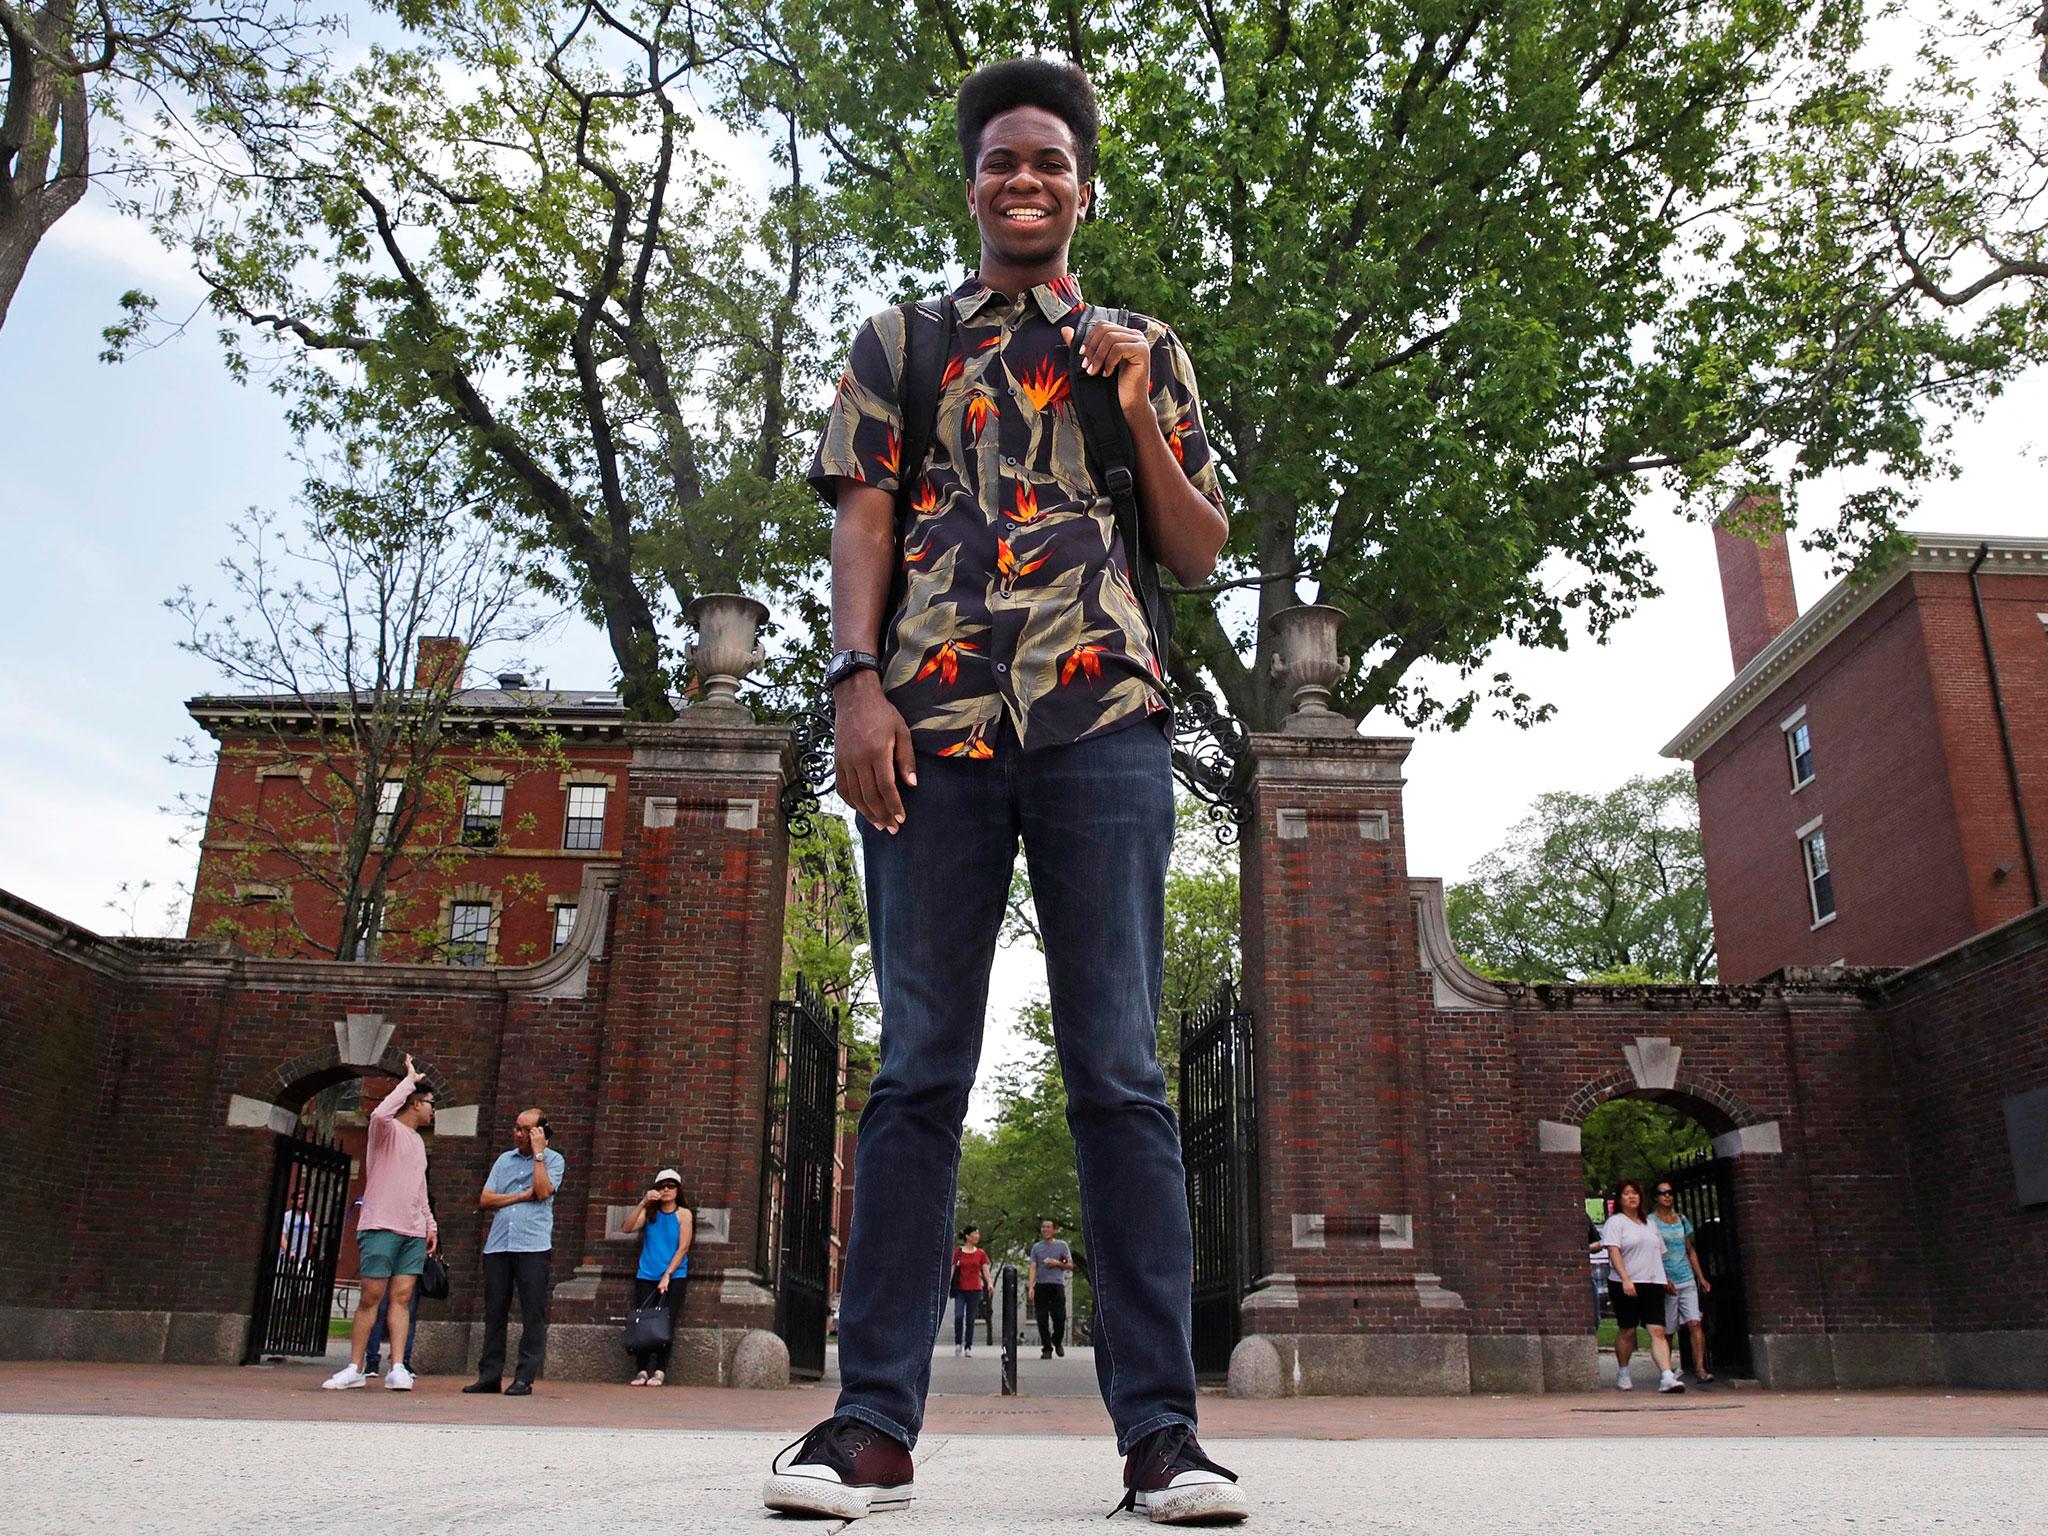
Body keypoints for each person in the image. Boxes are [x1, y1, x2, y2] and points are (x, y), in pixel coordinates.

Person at [764, 57, 1247, 1525]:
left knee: (1119, 1070)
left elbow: (1200, 547)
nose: (1023, 180)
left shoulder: (1140, 345)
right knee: (916, 1071)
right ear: (971, 185)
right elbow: (861, 519)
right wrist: (853, 683)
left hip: (1104, 720)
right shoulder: (898, 344)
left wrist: (1135, 406)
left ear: (1084, 186)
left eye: (1049, 161)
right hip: (931, 724)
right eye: (1000, 163)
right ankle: (869, 1429)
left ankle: (1162, 1437)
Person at [322, 1057, 437, 1391]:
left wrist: (430, 1224)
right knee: (371, 1296)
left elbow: (420, 1189)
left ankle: (398, 1365)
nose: (432, 1111)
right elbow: (378, 1112)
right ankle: (355, 1366)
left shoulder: (417, 1143)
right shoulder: (385, 1132)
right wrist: (409, 1080)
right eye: (430, 1104)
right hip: (381, 1225)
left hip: (412, 1230)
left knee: (401, 1298)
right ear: (415, 1103)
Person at [464, 1108, 564, 1397]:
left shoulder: (554, 1160)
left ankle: (524, 1377)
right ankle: (489, 1375)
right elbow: (485, 1199)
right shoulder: (503, 1160)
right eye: (517, 1128)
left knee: (532, 1311)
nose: (518, 1134)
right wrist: (520, 1196)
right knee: (494, 1310)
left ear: (540, 1132)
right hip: (498, 1244)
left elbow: (543, 1191)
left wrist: (539, 1154)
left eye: (526, 1130)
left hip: (532, 1245)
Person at [1601, 1178, 1684, 1394]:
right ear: (1619, 1199)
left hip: (1653, 1282)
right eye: (1627, 1193)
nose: (1632, 1197)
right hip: (1625, 1283)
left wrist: (1664, 1278)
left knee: (1657, 1329)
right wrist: (1626, 1278)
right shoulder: (1616, 1223)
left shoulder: (1650, 1224)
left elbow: (1659, 1253)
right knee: (1628, 1330)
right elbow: (1613, 1251)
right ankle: (1623, 1371)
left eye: (1635, 1193)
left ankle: (1666, 1375)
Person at [622, 1167, 693, 1386]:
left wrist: (668, 1275)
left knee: (666, 1323)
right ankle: (641, 1370)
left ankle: (660, 1370)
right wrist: (643, 1202)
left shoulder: (683, 1214)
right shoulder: (650, 1213)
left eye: (671, 1186)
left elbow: (683, 1247)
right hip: (647, 1274)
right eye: (662, 1186)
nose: (666, 1190)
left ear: (678, 1190)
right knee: (642, 1321)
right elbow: (627, 1228)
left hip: (674, 1276)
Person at [1651, 1180, 1714, 1382]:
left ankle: (1700, 1368)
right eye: (1663, 1193)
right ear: (1655, 1197)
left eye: (1670, 1192)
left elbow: (1690, 1249)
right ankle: (1667, 1371)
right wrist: (1661, 1278)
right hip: (1667, 1281)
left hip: (1686, 1277)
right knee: (1668, 1330)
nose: (1667, 1196)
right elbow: (1651, 1253)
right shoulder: (1651, 1221)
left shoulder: (1681, 1219)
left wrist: (1701, 1277)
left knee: (1695, 1322)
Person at [1029, 1218, 1074, 1358]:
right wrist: (1031, 1286)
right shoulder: (1036, 1248)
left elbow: (1070, 1265)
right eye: (1043, 1227)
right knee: (1041, 1318)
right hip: (1041, 1285)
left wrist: (1057, 1263)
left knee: (1059, 1317)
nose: (1045, 1229)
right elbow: (1033, 1267)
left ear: (1054, 1230)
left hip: (1057, 1285)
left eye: (1048, 1227)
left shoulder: (1062, 1246)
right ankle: (1047, 1348)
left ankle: (1057, 1341)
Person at [948, 1228, 991, 1357]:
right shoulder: (958, 1252)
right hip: (960, 1289)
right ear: (967, 1236)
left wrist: (989, 1283)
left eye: (978, 1233)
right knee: (959, 1315)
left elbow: (985, 1269)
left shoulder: (981, 1253)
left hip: (975, 1289)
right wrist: (947, 1284)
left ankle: (968, 1346)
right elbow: (953, 1269)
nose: (977, 1236)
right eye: (975, 1234)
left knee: (970, 1319)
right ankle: (957, 1344)